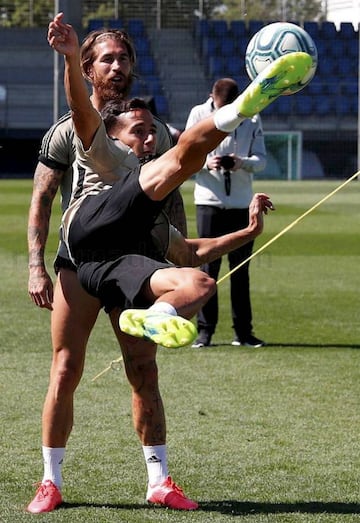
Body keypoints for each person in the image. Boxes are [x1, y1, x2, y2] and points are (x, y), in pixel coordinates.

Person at [48, 16, 312, 354]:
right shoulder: (101, 148)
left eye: (152, 131)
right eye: (138, 131)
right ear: (112, 133)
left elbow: (193, 252)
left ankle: (158, 315)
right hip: (86, 230)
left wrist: (250, 232)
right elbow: (81, 109)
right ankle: (240, 109)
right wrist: (70, 58)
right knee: (185, 157)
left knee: (202, 282)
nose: (149, 137)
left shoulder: (151, 213)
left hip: (117, 260)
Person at [27, 22, 191, 514]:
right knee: (66, 368)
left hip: (134, 261)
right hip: (79, 262)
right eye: (106, 60)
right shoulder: (65, 130)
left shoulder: (154, 129)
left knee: (144, 368)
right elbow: (41, 199)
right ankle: (50, 481)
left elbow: (172, 195)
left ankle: (159, 480)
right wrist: (36, 265)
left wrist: (169, 262)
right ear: (87, 69)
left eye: (123, 58)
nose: (117, 67)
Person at [185, 78, 267, 349]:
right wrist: (206, 162)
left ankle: (243, 333)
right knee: (208, 271)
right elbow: (184, 157)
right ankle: (205, 332)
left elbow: (261, 161)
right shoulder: (198, 114)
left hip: (241, 204)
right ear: (212, 98)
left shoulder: (252, 118)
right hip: (208, 201)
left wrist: (240, 163)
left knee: (240, 271)